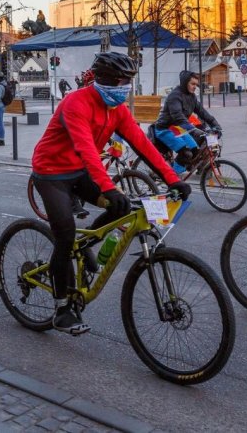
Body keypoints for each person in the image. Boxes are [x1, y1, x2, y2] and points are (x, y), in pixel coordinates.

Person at [31, 52, 193, 335]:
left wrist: (172, 178)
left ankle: (85, 247)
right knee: (65, 235)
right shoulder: (76, 102)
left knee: (122, 208)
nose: (124, 87)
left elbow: (142, 143)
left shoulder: (117, 110)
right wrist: (108, 186)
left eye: (128, 82)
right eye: (120, 81)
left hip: (80, 170)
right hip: (52, 173)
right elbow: (86, 148)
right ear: (103, 79)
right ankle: (61, 308)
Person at [152, 70, 223, 175]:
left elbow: (204, 113)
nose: (195, 87)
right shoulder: (175, 96)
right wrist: (193, 130)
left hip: (177, 129)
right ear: (185, 83)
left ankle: (176, 167)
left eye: (196, 84)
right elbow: (178, 117)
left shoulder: (192, 97)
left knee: (195, 151)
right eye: (192, 84)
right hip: (164, 129)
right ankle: (171, 178)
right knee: (186, 153)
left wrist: (216, 126)